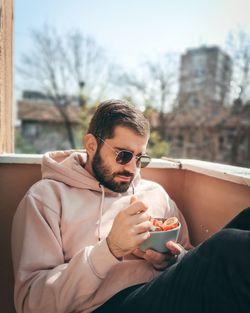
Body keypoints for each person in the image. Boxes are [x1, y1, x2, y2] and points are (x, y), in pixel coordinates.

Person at [11, 99, 250, 313]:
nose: (132, 169)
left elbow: (188, 257)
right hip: (100, 306)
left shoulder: (154, 193)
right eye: (123, 155)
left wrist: (168, 261)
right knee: (226, 248)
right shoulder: (47, 198)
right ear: (91, 145)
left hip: (158, 291)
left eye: (140, 158)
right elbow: (31, 303)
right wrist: (110, 249)